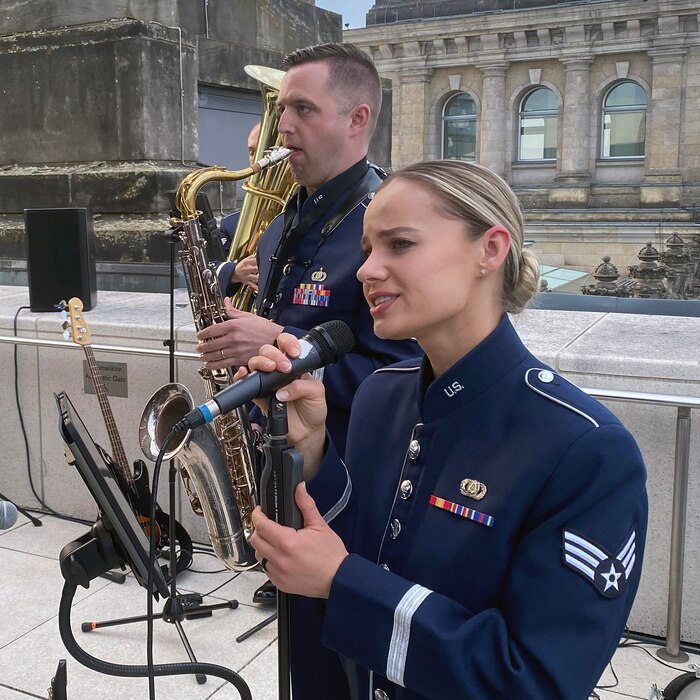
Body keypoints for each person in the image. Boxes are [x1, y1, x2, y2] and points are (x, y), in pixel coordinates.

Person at [244, 159, 649, 699]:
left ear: (490, 250)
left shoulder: (586, 449)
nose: (366, 271)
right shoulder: (380, 395)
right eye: (367, 249)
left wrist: (344, 585)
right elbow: (359, 549)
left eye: (400, 245)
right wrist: (312, 455)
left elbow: (539, 681)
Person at [197, 43, 417, 607]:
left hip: (349, 489)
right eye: (281, 110)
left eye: (302, 110)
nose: (282, 127)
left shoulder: (388, 230)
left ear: (357, 119)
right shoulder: (279, 225)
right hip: (280, 461)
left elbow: (404, 378)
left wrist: (272, 344)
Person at [215, 121, 262, 292]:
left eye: (267, 151)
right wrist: (234, 272)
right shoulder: (232, 224)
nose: (258, 159)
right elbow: (208, 269)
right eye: (252, 152)